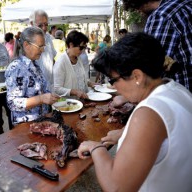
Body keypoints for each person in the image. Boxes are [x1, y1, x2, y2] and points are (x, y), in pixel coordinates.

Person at [78, 32, 192, 191]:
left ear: (137, 76)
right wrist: (125, 133)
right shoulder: (178, 90)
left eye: (113, 80)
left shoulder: (148, 114)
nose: (114, 87)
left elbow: (116, 187)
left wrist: (96, 148)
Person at [123, 0, 192, 92]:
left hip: (182, 96)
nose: (137, 11)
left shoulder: (162, 15)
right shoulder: (186, 5)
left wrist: (127, 94)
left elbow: (152, 66)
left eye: (135, 8)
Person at [5, 27, 59, 125]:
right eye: (40, 46)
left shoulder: (34, 64)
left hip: (40, 121)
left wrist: (50, 97)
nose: (43, 50)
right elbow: (12, 103)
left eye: (44, 46)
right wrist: (41, 99)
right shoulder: (16, 68)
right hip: (26, 126)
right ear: (26, 45)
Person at [53, 30, 95, 99]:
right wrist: (74, 92)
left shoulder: (78, 58)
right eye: (81, 48)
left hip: (82, 101)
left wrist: (90, 83)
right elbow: (57, 88)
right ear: (71, 45)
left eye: (84, 48)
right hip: (70, 105)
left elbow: (80, 78)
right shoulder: (61, 62)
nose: (82, 51)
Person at [29, 9, 57, 89]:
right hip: (36, 89)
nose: (44, 28)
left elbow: (53, 60)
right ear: (32, 24)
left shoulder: (49, 38)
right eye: (40, 25)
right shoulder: (27, 42)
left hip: (50, 86)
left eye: (46, 24)